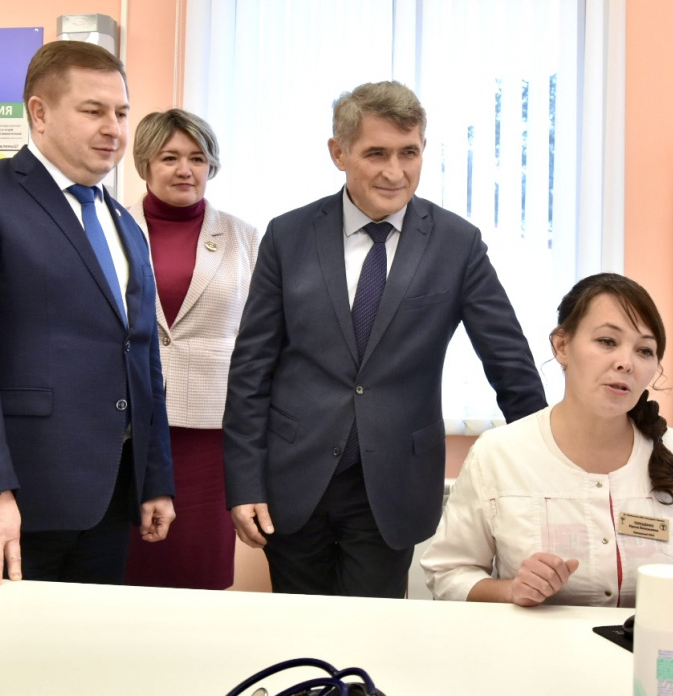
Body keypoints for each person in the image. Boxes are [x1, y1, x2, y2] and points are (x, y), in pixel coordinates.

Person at [223, 81, 547, 599]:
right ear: (339, 153)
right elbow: (251, 370)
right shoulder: (288, 235)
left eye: (408, 153)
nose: (395, 172)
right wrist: (244, 483)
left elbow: (508, 361)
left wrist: (547, 465)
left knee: (374, 634)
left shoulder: (456, 244)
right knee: (296, 630)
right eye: (376, 153)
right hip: (295, 476)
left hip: (393, 483)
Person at [0, 40, 175, 594]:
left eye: (121, 113)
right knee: (4, 648)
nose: (113, 129)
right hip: (15, 497)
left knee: (87, 645)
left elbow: (142, 357)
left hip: (110, 496)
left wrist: (153, 478)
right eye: (93, 110)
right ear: (39, 112)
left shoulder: (123, 223)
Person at [421, 273, 673, 611]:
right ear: (562, 346)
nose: (625, 362)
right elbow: (447, 573)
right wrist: (512, 590)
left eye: (644, 350)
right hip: (538, 645)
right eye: (607, 341)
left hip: (655, 644)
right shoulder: (498, 453)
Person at [123, 109, 258, 589]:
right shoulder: (112, 227)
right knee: (130, 565)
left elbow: (261, 336)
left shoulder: (244, 237)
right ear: (145, 163)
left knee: (200, 566)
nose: (185, 169)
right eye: (170, 157)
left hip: (212, 428)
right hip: (130, 427)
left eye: (197, 158)